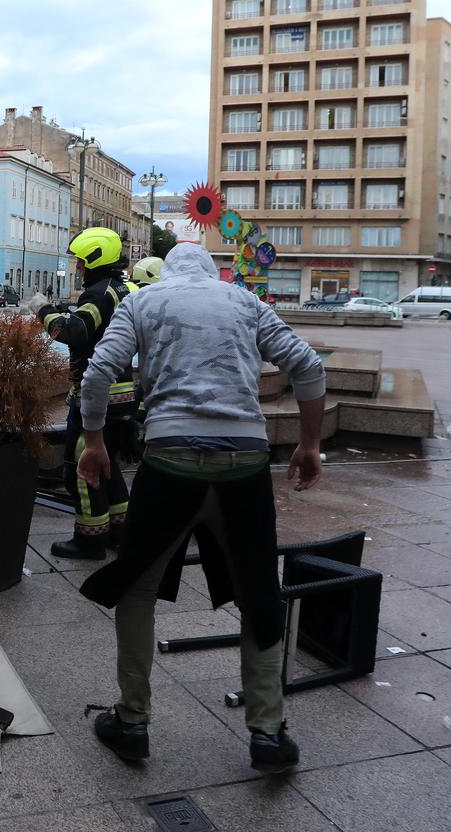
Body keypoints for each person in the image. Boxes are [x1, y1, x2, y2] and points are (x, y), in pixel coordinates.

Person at [75, 243, 326, 776]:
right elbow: (306, 365)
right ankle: (268, 734)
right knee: (260, 589)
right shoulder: (244, 302)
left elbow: (98, 375)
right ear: (214, 273)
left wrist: (95, 442)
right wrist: (308, 445)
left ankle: (132, 722)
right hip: (245, 464)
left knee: (137, 587)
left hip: (170, 461)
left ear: (167, 272)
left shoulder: (143, 302)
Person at [37, 227, 141, 559]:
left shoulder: (99, 293)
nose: (78, 269)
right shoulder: (125, 287)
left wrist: (42, 310)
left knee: (84, 464)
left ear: (95, 259)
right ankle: (119, 530)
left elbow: (75, 332)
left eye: (81, 262)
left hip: (97, 395)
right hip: (122, 392)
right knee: (106, 463)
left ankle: (90, 538)